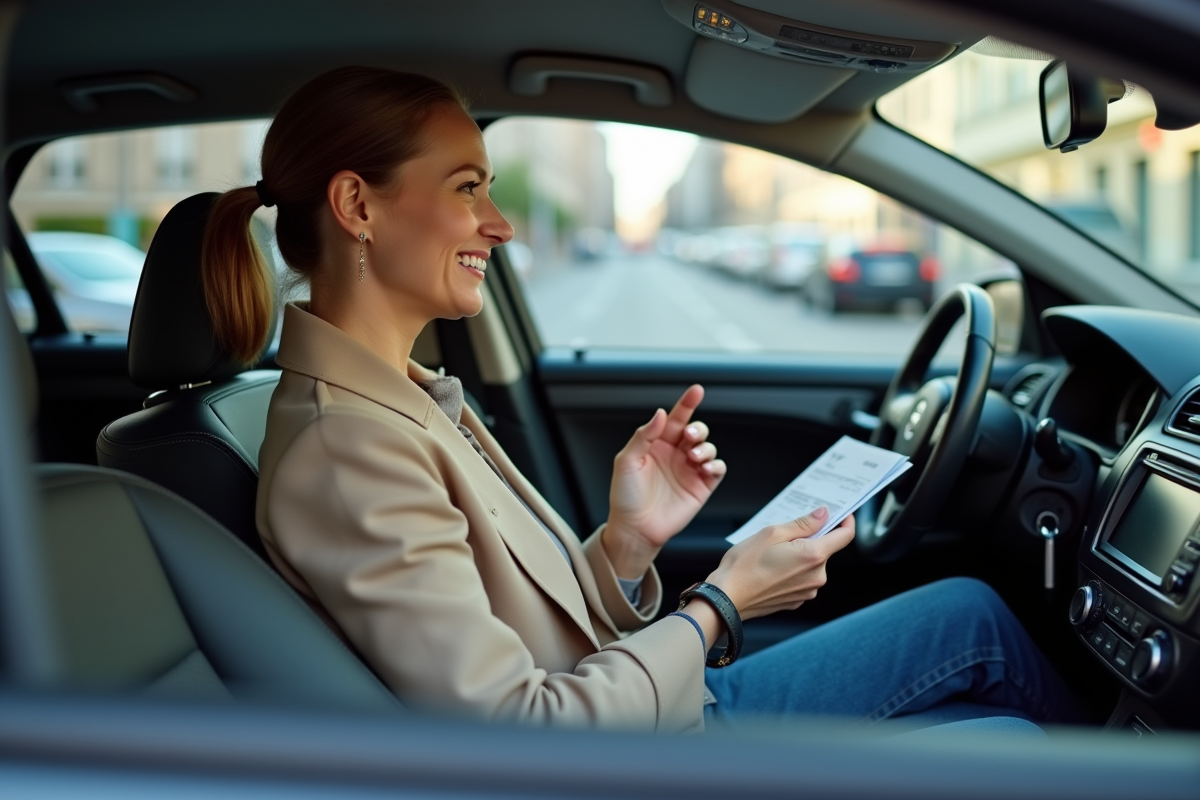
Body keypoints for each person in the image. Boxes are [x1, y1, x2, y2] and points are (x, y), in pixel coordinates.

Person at [201, 66, 1079, 732]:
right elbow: (519, 732)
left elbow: (515, 633)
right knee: (1010, 737)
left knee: (972, 616)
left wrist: (627, 543)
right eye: (468, 187)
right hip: (644, 754)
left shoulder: (403, 398)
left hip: (656, 708)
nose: (499, 223)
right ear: (357, 204)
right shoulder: (346, 447)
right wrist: (723, 605)